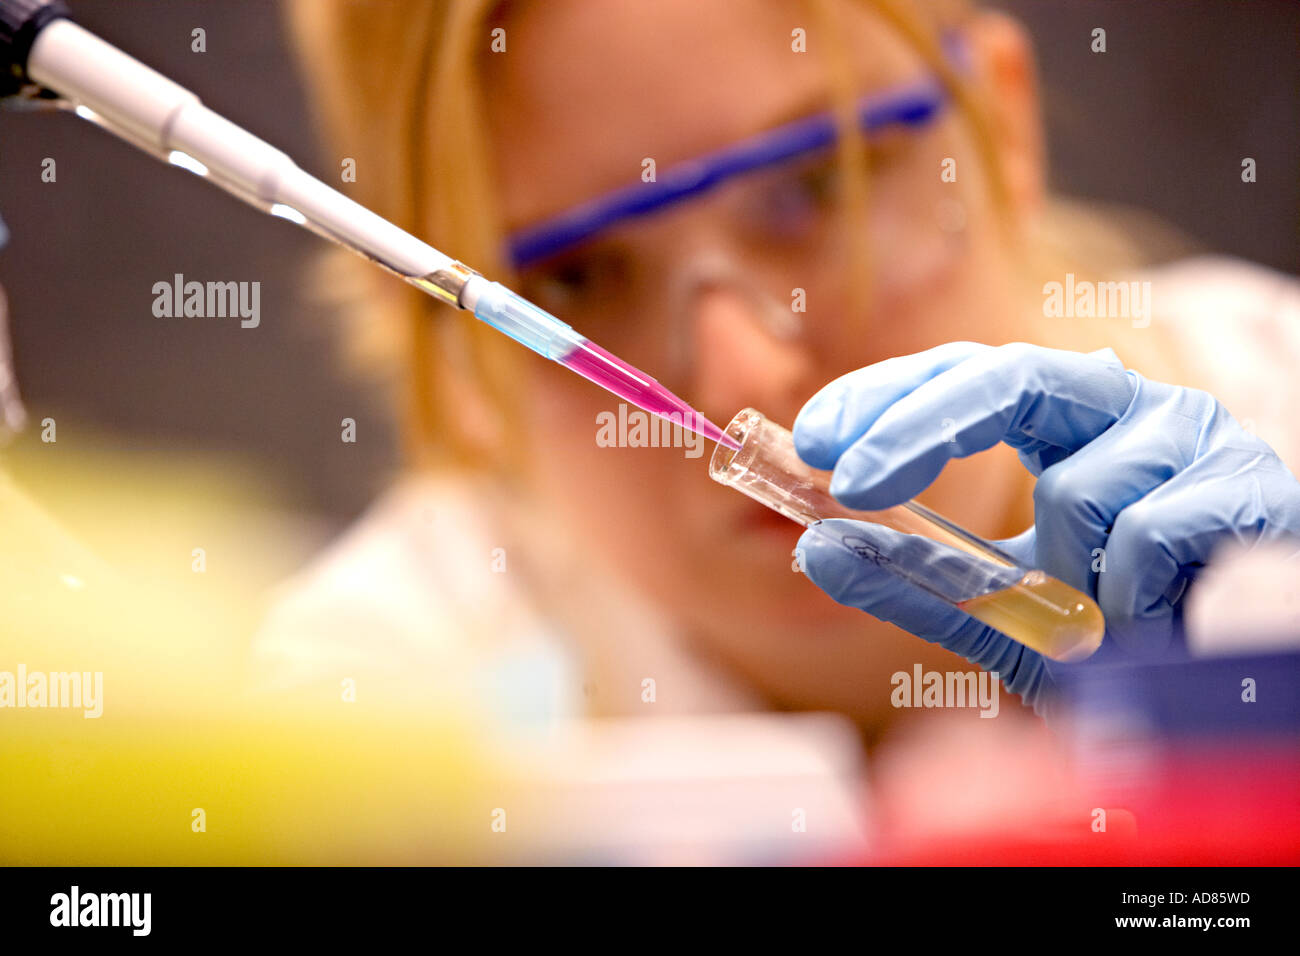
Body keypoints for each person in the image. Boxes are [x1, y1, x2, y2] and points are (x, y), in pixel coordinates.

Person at [255, 0, 1300, 744]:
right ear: (443, 348)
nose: (740, 374)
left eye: (814, 183)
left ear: (1000, 125)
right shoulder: (369, 701)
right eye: (573, 277)